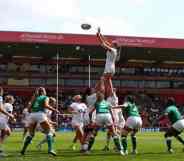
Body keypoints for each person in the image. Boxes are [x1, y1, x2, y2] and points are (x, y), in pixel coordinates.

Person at [20, 87, 60, 156]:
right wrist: (54, 110)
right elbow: (46, 105)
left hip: (32, 115)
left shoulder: (34, 97)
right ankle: (50, 149)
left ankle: (23, 150)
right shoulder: (45, 97)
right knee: (49, 132)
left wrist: (33, 112)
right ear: (44, 92)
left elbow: (29, 108)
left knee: (31, 134)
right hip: (40, 114)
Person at [96, 27, 119, 97]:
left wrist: (98, 36)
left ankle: (102, 95)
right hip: (112, 69)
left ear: (114, 45)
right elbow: (105, 41)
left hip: (109, 68)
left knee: (102, 80)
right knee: (108, 81)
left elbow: (103, 43)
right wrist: (100, 34)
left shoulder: (112, 50)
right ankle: (112, 94)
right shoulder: (114, 49)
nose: (110, 43)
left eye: (111, 43)